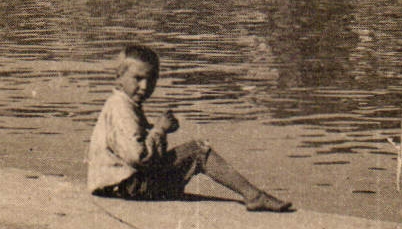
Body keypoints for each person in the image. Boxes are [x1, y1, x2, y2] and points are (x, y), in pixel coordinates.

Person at [87, 44, 292, 212]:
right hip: (127, 187)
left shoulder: (121, 103)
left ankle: (253, 195)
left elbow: (135, 149)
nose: (145, 86)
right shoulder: (122, 108)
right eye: (138, 78)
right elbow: (137, 157)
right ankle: (254, 195)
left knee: (189, 156)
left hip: (115, 185)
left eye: (151, 79)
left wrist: (158, 131)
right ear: (118, 76)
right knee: (199, 151)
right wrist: (159, 130)